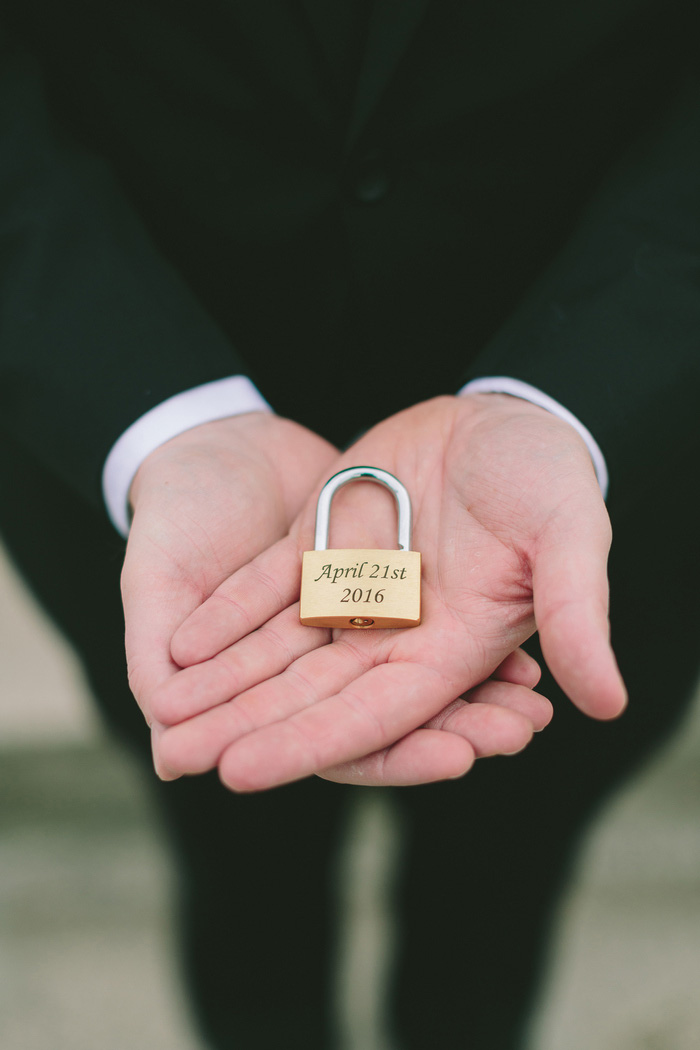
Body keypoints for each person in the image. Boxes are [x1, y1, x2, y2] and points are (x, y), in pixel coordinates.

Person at [1, 2, 699, 1047]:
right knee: (235, 860)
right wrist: (161, 422)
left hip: (599, 463)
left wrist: (572, 395)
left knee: (503, 876)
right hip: (151, 448)